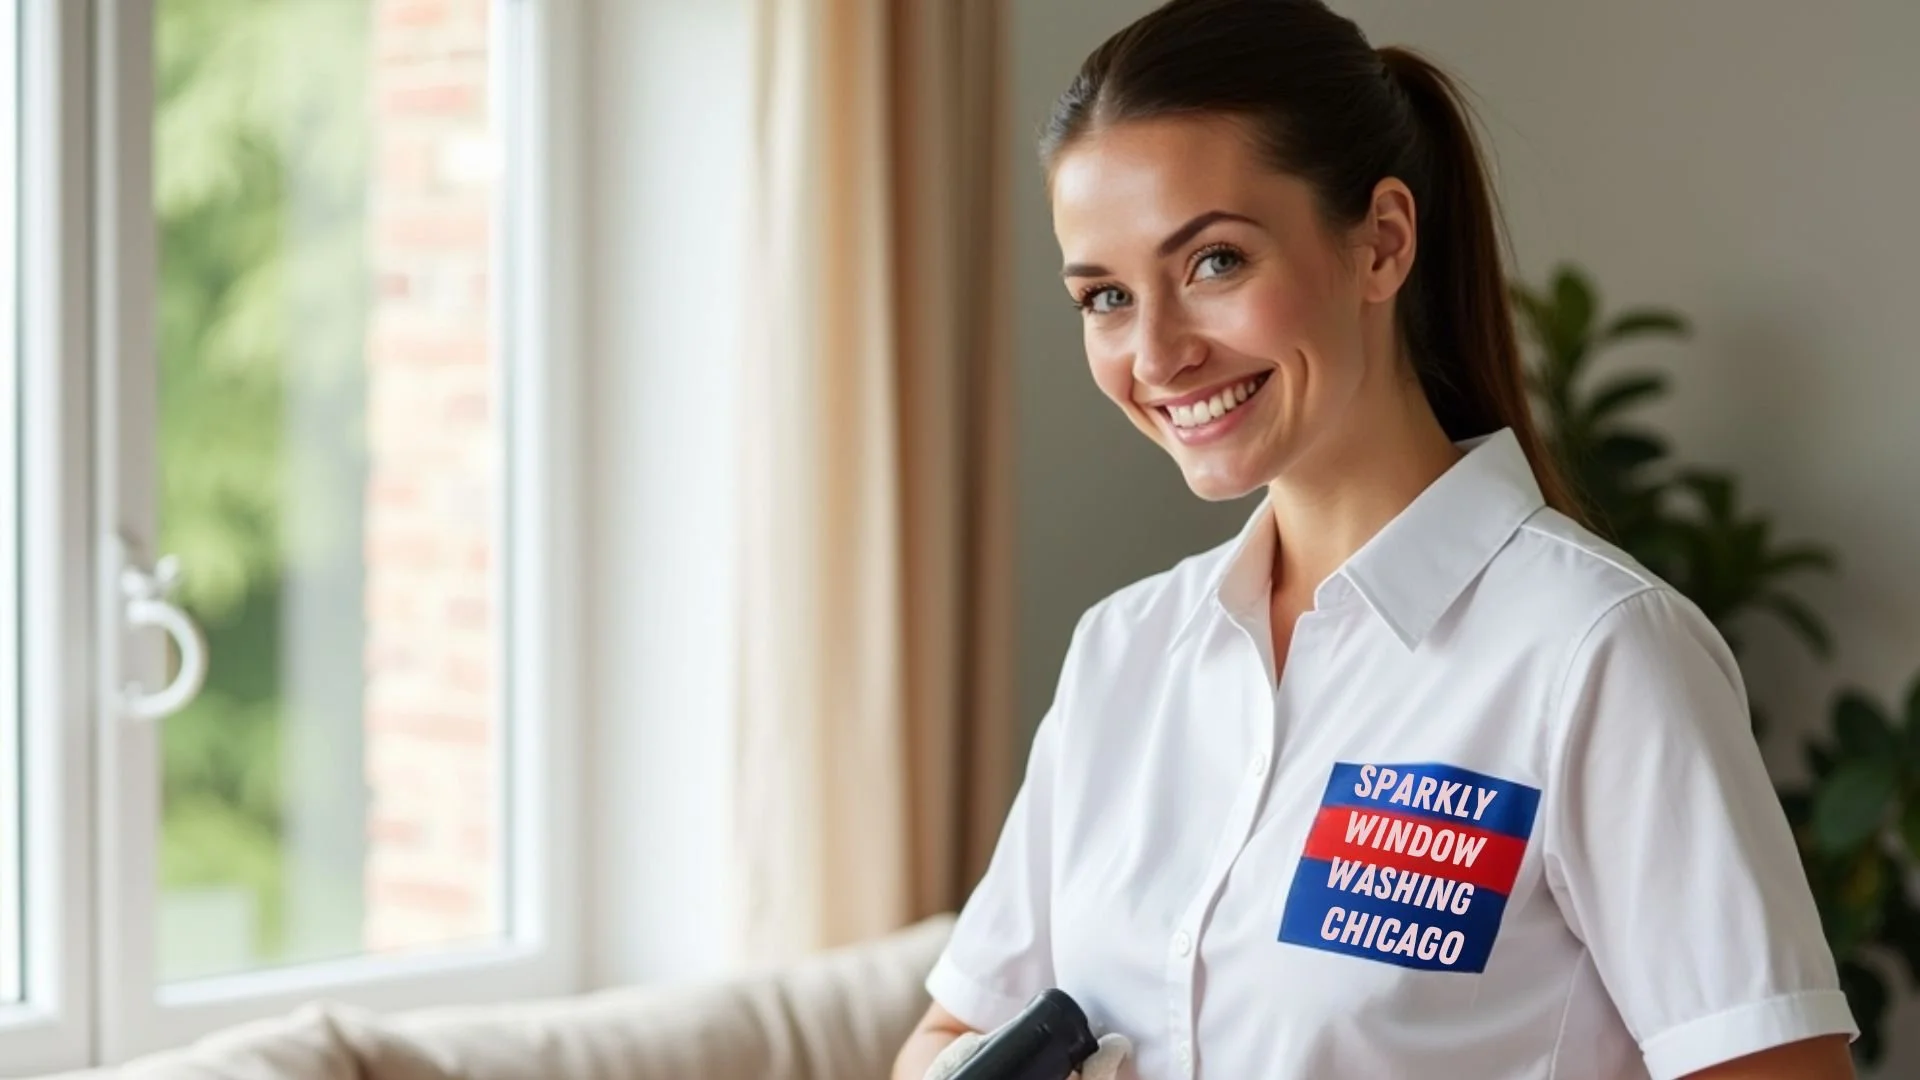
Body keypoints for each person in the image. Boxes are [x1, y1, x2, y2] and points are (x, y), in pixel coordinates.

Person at [891, 1, 1860, 1078]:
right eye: (1107, 296)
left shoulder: (1596, 654)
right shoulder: (1125, 655)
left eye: (1214, 262)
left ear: (1383, 243)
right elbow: (943, 1038)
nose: (1157, 354)